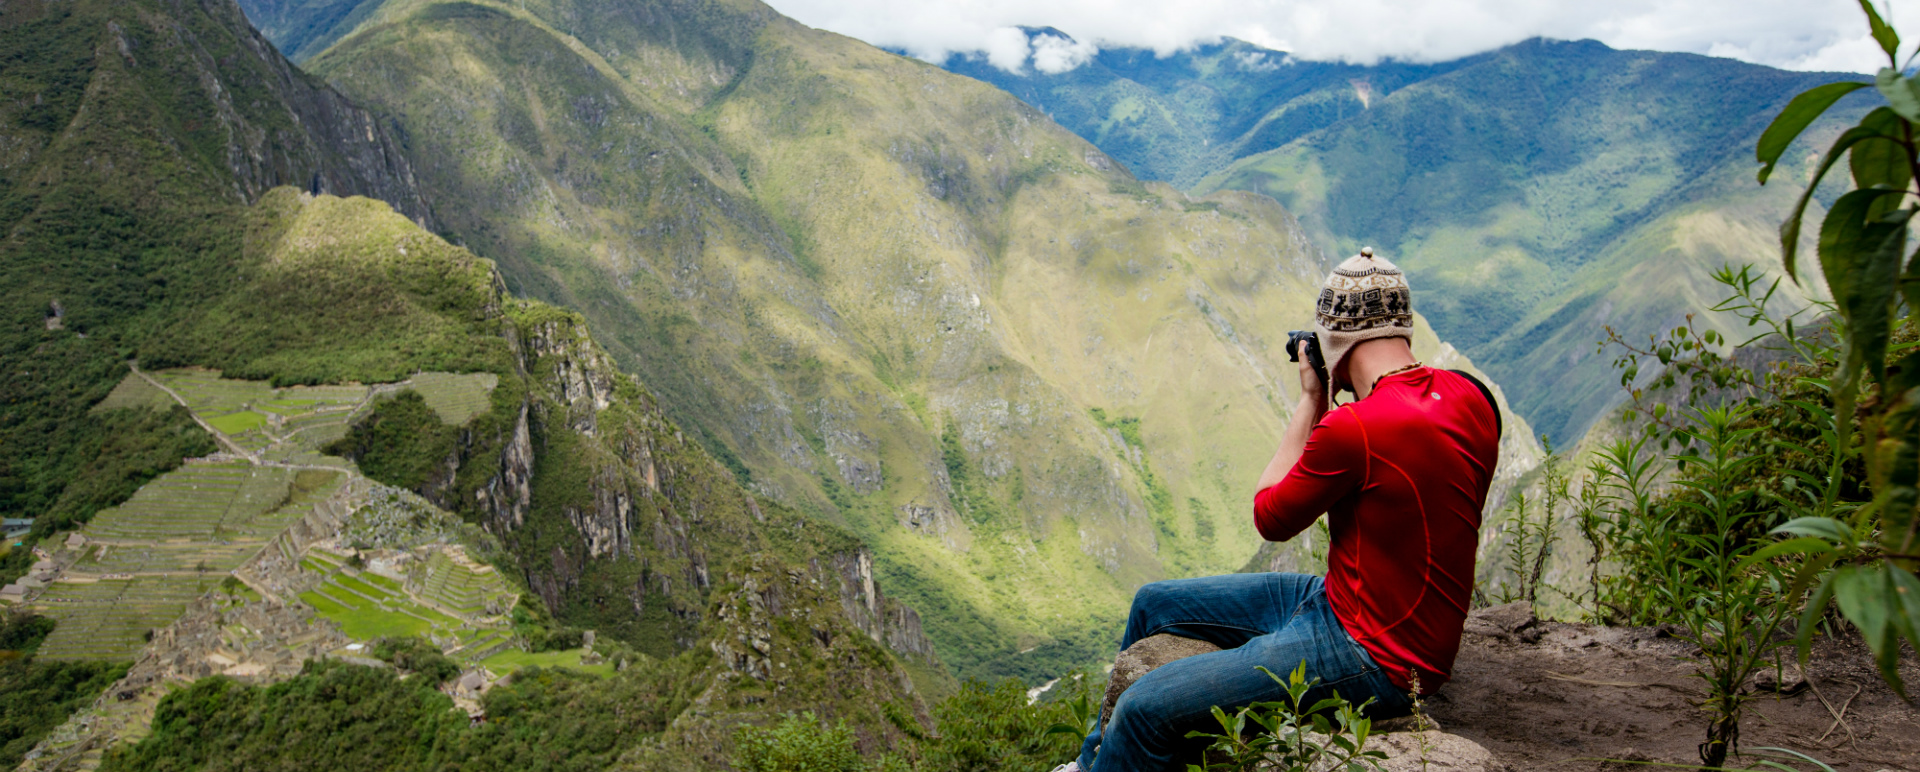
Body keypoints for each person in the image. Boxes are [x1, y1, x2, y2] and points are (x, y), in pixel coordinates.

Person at [1055, 249, 1501, 772]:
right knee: (1153, 604)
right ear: (1404, 327)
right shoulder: (1475, 397)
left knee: (1143, 708)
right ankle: (1093, 764)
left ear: (1333, 342)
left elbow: (1270, 517)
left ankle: (1102, 760)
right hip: (1344, 602)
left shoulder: (1356, 427)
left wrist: (1313, 399)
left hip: (1373, 656)